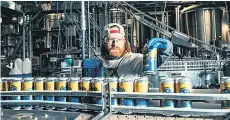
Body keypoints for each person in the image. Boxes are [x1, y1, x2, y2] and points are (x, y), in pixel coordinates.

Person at [100, 23, 173, 78]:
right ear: (103, 43)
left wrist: (167, 47)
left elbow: (157, 60)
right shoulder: (97, 64)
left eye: (119, 39)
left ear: (125, 42)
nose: (114, 44)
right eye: (109, 40)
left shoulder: (135, 60)